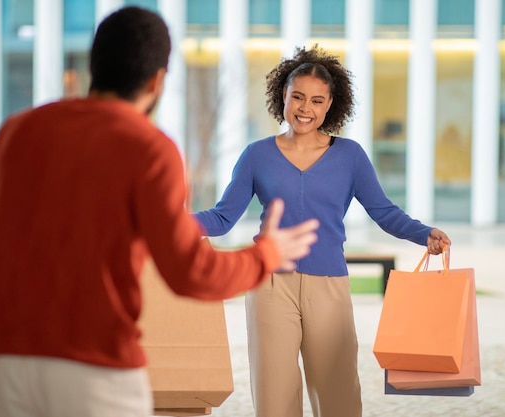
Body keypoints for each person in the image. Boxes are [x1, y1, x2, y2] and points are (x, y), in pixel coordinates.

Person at [0, 7, 319, 417]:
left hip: (11, 364)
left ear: (93, 65)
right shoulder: (150, 149)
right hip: (99, 370)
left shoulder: (18, 131)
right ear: (157, 80)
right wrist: (265, 255)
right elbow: (189, 273)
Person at [193, 44, 451, 417]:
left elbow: (383, 211)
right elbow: (222, 217)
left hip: (329, 284)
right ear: (283, 95)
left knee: (339, 397)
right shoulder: (256, 155)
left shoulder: (350, 156)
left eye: (316, 101)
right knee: (274, 399)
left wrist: (423, 233)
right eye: (297, 97)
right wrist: (170, 221)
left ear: (330, 105)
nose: (304, 109)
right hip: (269, 286)